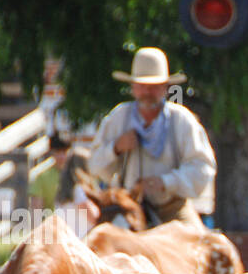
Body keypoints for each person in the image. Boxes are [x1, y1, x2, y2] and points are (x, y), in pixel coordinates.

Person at [88, 47, 216, 229]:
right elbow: (94, 166)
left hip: (171, 209)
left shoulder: (181, 120)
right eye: (141, 86)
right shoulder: (118, 117)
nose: (147, 92)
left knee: (198, 246)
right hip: (126, 209)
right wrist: (115, 148)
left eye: (154, 86)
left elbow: (203, 168)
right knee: (98, 246)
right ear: (132, 88)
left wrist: (166, 182)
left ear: (165, 88)